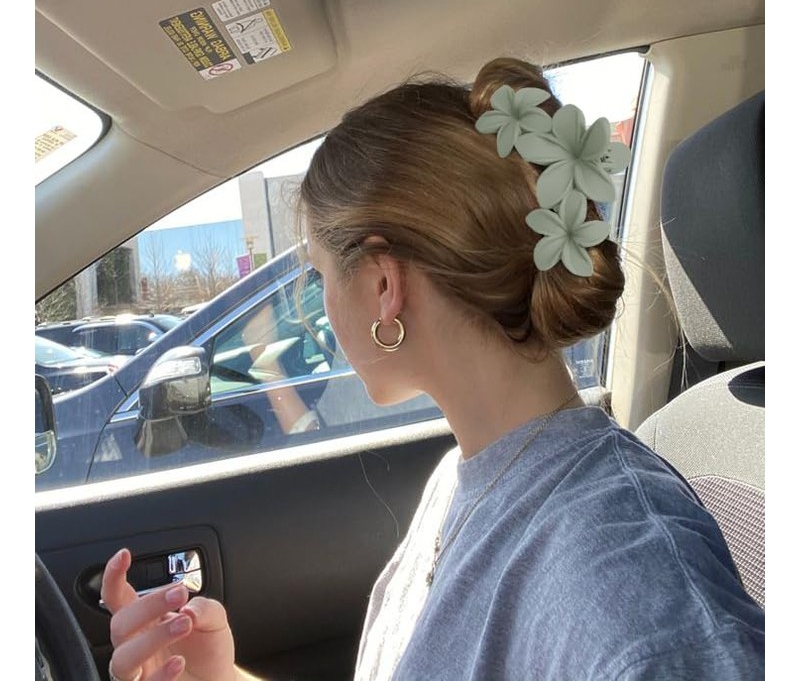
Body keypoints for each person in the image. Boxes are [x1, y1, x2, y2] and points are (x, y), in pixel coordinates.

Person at [101, 58, 765, 681]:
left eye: (321, 277)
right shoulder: (463, 478)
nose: (321, 306)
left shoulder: (626, 589)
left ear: (383, 285)